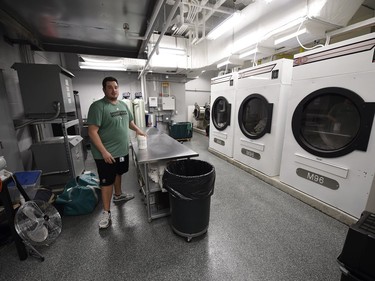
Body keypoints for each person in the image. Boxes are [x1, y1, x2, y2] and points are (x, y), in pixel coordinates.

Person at [87, 76, 146, 229]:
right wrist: (104, 152)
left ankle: (118, 196)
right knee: (107, 182)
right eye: (109, 87)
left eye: (115, 87)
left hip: (121, 151)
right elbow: (92, 132)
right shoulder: (98, 107)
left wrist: (139, 131)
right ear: (104, 89)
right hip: (105, 154)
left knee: (118, 173)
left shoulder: (123, 105)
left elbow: (130, 122)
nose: (113, 90)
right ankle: (106, 212)